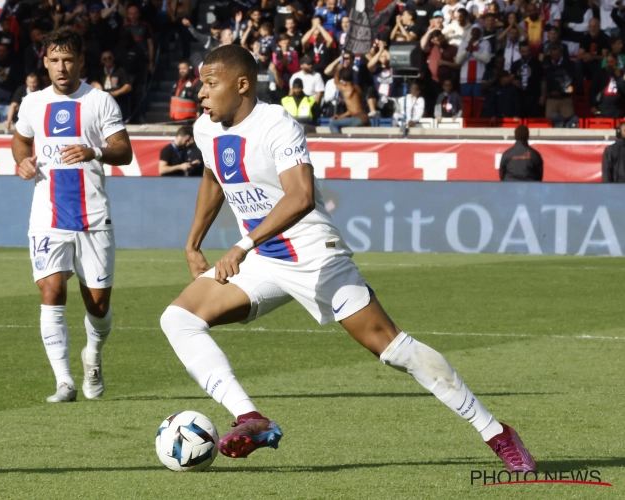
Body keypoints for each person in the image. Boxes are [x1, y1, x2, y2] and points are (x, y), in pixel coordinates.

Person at [159, 44, 536, 473]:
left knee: (394, 350)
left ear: (242, 85)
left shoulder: (277, 125)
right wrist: (193, 242)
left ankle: (497, 433)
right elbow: (213, 176)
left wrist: (240, 246)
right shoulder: (207, 129)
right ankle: (251, 418)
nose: (201, 93)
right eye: (201, 85)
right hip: (263, 259)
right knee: (178, 318)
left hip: (314, 254)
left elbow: (300, 197)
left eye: (210, 83)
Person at [10, 27, 133, 403]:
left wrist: (94, 152)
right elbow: (20, 138)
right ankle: (64, 381)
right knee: (51, 290)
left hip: (92, 215)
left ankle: (93, 355)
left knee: (97, 304)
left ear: (80, 61)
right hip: (47, 214)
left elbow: (124, 151)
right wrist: (22, 162)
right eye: (54, 60)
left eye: (68, 60)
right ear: (44, 62)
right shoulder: (32, 102)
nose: (61, 67)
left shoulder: (101, 102)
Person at [541, 42, 577, 127]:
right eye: (552, 55)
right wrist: (543, 95)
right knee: (549, 122)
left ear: (561, 53)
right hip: (551, 98)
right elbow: (545, 79)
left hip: (565, 98)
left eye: (556, 55)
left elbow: (571, 80)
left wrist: (561, 89)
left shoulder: (569, 64)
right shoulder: (547, 62)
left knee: (569, 122)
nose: (554, 56)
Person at [456, 24, 492, 97]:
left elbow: (487, 59)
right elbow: (458, 61)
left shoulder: (485, 43)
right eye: (473, 31)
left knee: (478, 104)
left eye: (477, 31)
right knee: (466, 104)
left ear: (480, 33)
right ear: (470, 33)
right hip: (465, 79)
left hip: (479, 79)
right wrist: (466, 50)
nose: (475, 33)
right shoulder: (464, 43)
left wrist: (473, 52)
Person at [329, 67, 369, 133]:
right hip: (365, 118)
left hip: (358, 119)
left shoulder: (345, 89)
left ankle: (338, 142)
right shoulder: (358, 88)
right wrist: (340, 116)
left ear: (342, 78)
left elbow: (336, 81)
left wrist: (338, 69)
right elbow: (352, 109)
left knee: (333, 124)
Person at [511, 41, 544, 118]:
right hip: (519, 99)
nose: (526, 53)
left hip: (534, 98)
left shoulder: (536, 62)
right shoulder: (515, 64)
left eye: (527, 51)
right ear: (519, 51)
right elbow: (511, 77)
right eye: (523, 52)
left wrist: (543, 95)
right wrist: (513, 81)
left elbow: (543, 79)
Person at [590, 53, 625, 118]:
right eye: (607, 62)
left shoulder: (622, 75)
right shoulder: (600, 74)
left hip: (617, 109)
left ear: (616, 62)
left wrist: (620, 78)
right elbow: (593, 90)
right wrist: (593, 105)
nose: (609, 64)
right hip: (601, 108)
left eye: (611, 62)